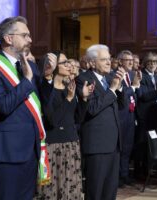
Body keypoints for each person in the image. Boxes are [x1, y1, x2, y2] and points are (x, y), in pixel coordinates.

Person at [0, 16, 53, 199]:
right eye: (25, 35)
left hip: (32, 147)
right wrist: (27, 81)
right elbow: (4, 107)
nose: (30, 39)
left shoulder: (30, 65)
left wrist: (47, 78)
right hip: (9, 152)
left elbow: (43, 103)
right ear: (9, 38)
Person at [35, 51, 94, 200]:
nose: (69, 65)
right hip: (52, 145)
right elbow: (53, 120)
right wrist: (68, 99)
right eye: (64, 62)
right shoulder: (46, 89)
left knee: (71, 189)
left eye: (68, 61)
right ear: (52, 66)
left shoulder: (70, 87)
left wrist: (84, 99)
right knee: (51, 190)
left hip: (71, 143)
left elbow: (77, 119)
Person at [75, 44, 125, 200]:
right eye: (103, 60)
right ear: (91, 63)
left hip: (114, 144)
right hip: (96, 145)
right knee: (95, 191)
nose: (109, 62)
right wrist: (112, 90)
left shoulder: (110, 78)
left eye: (109, 59)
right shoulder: (83, 79)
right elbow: (91, 108)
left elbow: (121, 105)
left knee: (110, 191)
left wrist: (120, 86)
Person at [116, 50, 141, 187]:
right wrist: (133, 87)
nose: (131, 62)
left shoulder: (131, 75)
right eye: (127, 60)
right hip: (120, 115)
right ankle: (118, 175)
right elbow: (122, 94)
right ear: (120, 62)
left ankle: (125, 174)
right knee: (119, 148)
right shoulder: (115, 75)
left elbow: (134, 94)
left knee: (128, 147)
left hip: (131, 115)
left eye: (132, 59)